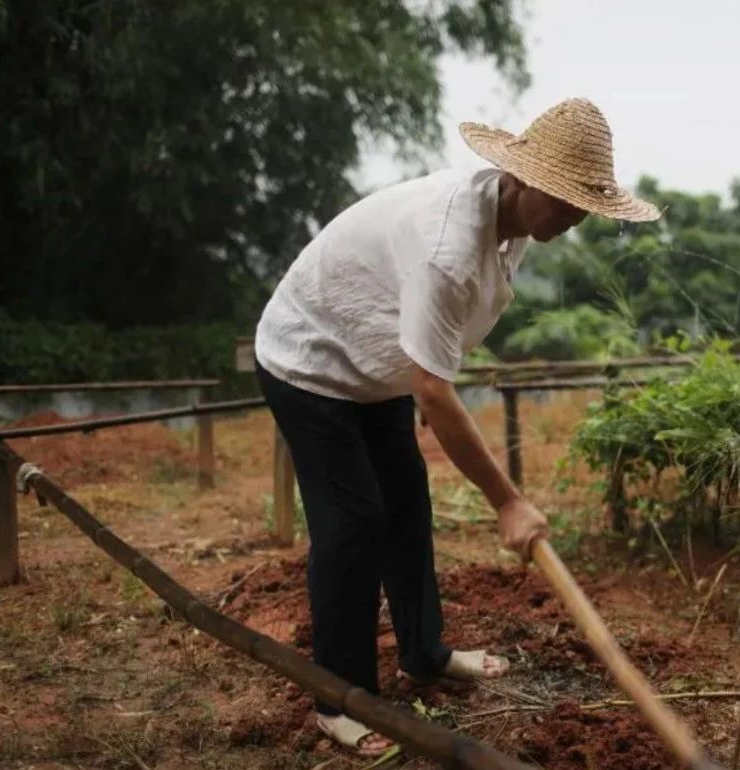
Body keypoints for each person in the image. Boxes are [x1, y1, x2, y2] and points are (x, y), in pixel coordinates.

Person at [252, 98, 660, 755]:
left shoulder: (515, 224)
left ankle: (425, 653)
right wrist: (508, 502)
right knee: (353, 525)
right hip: (310, 363)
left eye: (586, 205)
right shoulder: (448, 244)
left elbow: (428, 365)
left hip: (376, 365)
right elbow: (436, 394)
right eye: (563, 200)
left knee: (408, 506)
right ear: (521, 179)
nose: (574, 217)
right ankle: (339, 699)